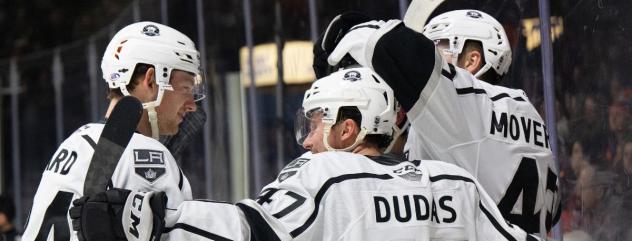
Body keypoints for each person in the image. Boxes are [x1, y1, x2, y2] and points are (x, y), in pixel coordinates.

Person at [69, 67, 540, 241]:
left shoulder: (329, 174)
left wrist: (155, 221)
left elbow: (250, 229)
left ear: (348, 129)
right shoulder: (452, 182)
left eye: (315, 124)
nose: (308, 139)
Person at [314, 10, 561, 237]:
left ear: (472, 60)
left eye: (437, 46)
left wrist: (357, 34)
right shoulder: (531, 117)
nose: (433, 56)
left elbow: (403, 53)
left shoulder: (466, 108)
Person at [22, 21, 205, 241]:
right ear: (152, 80)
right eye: (185, 87)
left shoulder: (75, 142)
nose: (192, 104)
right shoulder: (146, 154)